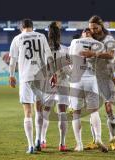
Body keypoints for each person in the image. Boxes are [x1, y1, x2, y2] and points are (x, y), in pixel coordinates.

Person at [9, 19, 56, 154]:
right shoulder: (41, 36)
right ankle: (38, 140)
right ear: (32, 27)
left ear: (21, 27)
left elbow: (13, 60)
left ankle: (30, 146)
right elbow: (49, 56)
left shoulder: (17, 38)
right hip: (41, 78)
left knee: (27, 112)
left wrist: (12, 75)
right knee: (39, 110)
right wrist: (53, 73)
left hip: (25, 78)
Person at [81, 15, 115, 151]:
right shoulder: (88, 39)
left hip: (106, 77)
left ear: (101, 26)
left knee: (109, 108)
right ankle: (95, 140)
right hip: (91, 78)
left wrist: (94, 54)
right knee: (93, 110)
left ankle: (113, 139)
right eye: (91, 28)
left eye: (95, 28)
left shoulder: (109, 39)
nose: (93, 30)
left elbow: (111, 55)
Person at [69, 28, 108, 152]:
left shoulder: (75, 42)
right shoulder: (99, 45)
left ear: (82, 34)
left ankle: (79, 144)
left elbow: (70, 61)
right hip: (91, 79)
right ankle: (97, 138)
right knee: (94, 111)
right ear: (92, 34)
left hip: (76, 80)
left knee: (76, 113)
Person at [40, 21, 70, 152]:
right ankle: (62, 144)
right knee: (62, 112)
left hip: (48, 83)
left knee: (45, 112)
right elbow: (69, 70)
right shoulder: (65, 49)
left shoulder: (44, 50)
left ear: (48, 35)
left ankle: (42, 140)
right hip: (62, 82)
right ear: (59, 35)